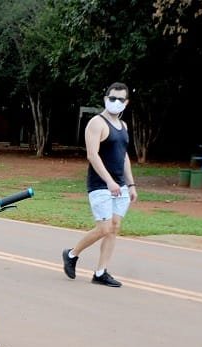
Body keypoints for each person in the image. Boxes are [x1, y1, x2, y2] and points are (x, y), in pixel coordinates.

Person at [62, 82, 137, 288]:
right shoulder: (97, 123)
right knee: (103, 228)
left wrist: (130, 184)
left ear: (126, 102)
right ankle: (71, 254)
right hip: (100, 185)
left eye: (120, 99)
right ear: (105, 98)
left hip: (120, 186)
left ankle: (101, 272)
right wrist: (109, 181)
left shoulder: (123, 126)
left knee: (114, 228)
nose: (115, 102)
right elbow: (92, 155)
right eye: (112, 98)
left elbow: (123, 157)